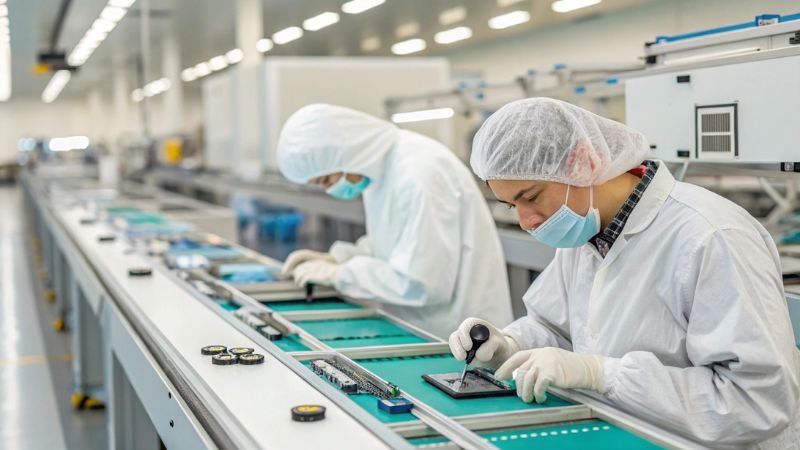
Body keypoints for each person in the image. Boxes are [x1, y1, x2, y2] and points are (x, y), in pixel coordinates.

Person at [449, 97, 800, 449]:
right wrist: (508, 345)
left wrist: (602, 375)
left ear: (582, 162)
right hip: (621, 432)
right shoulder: (586, 231)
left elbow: (756, 404)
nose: (526, 222)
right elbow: (554, 327)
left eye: (532, 197)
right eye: (512, 205)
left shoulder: (711, 235)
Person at [276, 103, 512, 338]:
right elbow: (393, 242)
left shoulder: (420, 172)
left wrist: (340, 274)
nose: (329, 189)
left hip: (459, 337)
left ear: (344, 152)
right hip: (422, 329)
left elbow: (422, 284)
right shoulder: (380, 169)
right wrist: (339, 257)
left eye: (326, 179)